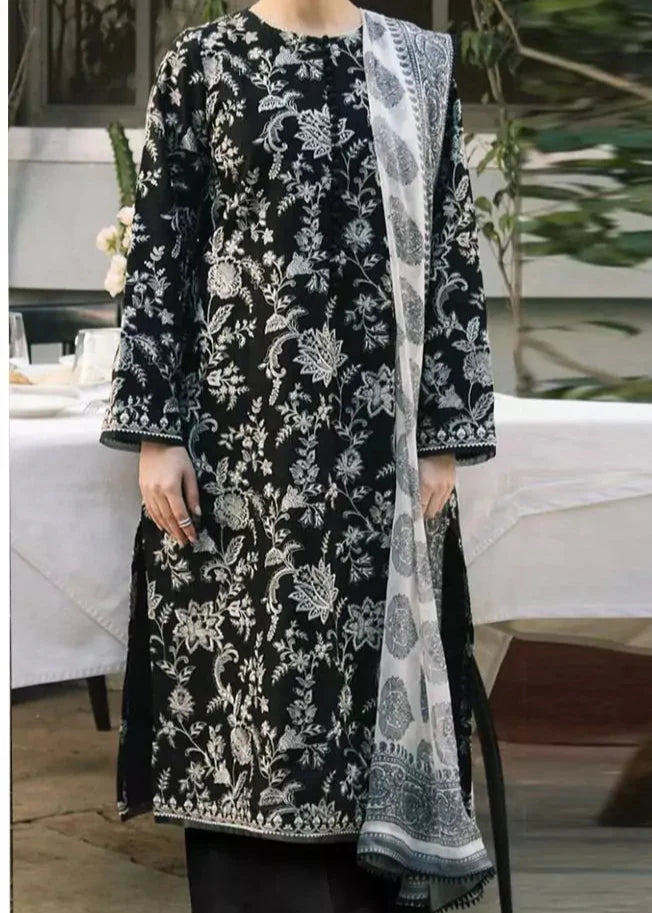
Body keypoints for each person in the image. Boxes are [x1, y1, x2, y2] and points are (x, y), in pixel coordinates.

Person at [99, 2, 498, 911]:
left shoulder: (417, 67)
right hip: (241, 454)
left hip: (380, 456)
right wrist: (157, 432)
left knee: (362, 690)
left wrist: (444, 435)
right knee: (249, 696)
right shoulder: (201, 65)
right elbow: (162, 252)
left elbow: (451, 252)